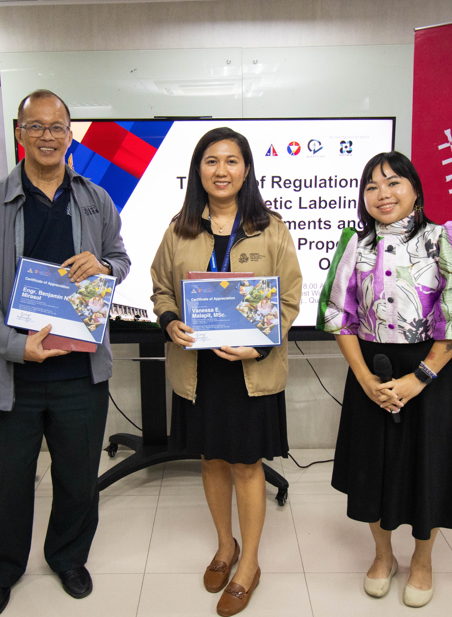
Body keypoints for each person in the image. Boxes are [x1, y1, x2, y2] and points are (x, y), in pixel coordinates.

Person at [0, 89, 130, 617]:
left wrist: (105, 268)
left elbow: (120, 260)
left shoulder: (96, 199)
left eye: (56, 127)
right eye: (36, 126)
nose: (47, 136)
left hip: (81, 371)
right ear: (20, 133)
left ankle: (68, 558)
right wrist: (16, 346)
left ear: (70, 134)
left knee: (77, 478)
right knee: (6, 483)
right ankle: (1, 571)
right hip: (13, 372)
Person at [317, 151, 452, 608]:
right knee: (371, 468)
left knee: (425, 468)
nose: (382, 193)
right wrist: (363, 379)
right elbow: (339, 317)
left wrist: (419, 378)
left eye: (393, 182)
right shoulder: (354, 243)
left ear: (415, 189)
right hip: (369, 371)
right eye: (371, 186)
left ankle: (422, 561)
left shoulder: (445, 238)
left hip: (431, 373)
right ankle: (382, 556)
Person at [150, 127, 302, 617]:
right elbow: (161, 288)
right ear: (198, 170)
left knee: (246, 464)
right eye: (211, 161)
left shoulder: (270, 228)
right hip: (198, 369)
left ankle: (249, 564)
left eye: (231, 161)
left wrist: (259, 345)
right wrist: (169, 321)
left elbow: (289, 299)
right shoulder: (179, 228)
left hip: (250, 368)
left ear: (246, 169)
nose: (221, 170)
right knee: (211, 459)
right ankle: (225, 545)